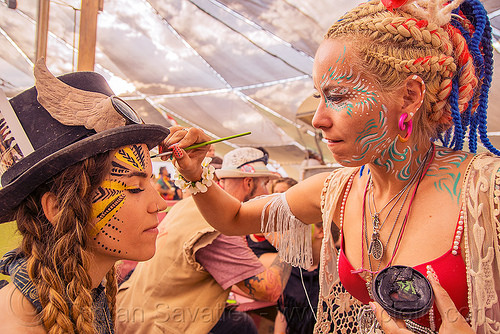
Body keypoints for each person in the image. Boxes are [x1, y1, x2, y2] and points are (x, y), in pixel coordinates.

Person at [162, 0, 499, 333]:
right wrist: (195, 174)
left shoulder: (486, 192)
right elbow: (233, 218)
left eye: (337, 96)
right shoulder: (338, 190)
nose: (319, 119)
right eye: (319, 97)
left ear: (409, 95)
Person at [0, 59, 169, 333]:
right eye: (135, 187)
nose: (159, 203)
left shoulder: (82, 295)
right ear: (56, 208)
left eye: (149, 182)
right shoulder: (19, 325)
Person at [115, 147, 291, 334]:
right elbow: (270, 289)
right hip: (155, 326)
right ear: (248, 183)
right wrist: (290, 245)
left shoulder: (187, 206)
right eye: (264, 184)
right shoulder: (219, 228)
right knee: (243, 325)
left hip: (131, 314)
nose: (267, 192)